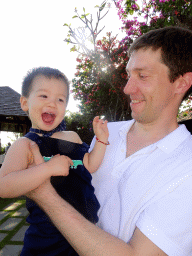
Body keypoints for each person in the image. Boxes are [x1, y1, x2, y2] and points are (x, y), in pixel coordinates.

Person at [24, 26, 192, 256]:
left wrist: (44, 195)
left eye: (142, 76)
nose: (127, 88)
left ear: (181, 83)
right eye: (129, 75)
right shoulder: (107, 133)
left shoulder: (186, 167)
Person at [0, 67, 109, 255]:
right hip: (47, 236)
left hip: (85, 229)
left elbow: (90, 164)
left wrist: (101, 140)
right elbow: (4, 186)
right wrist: (48, 169)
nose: (53, 103)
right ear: (25, 103)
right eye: (43, 96)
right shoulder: (25, 145)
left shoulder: (72, 137)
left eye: (60, 99)